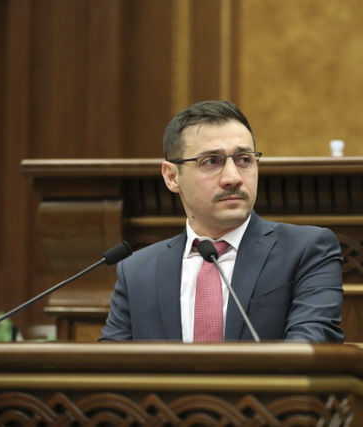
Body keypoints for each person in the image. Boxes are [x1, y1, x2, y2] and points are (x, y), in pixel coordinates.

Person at [100, 100, 344, 342]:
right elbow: (110, 362)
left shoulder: (306, 250)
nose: (233, 178)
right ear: (172, 176)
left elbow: (310, 348)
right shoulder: (137, 270)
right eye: (211, 161)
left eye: (244, 159)